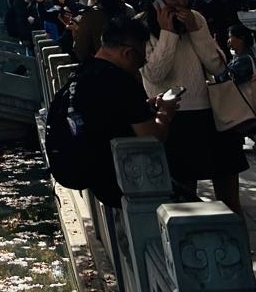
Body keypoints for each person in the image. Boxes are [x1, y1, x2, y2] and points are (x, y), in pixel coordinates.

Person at [133, 0, 246, 213]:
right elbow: (155, 73)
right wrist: (168, 34)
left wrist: (197, 32)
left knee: (228, 189)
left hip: (211, 112)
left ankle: (236, 236)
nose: (182, 2)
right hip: (174, 117)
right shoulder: (141, 26)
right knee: (184, 194)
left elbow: (217, 67)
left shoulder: (197, 19)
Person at [70, 15, 178, 206]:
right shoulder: (122, 82)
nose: (139, 68)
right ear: (128, 53)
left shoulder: (81, 73)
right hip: (126, 184)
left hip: (92, 175)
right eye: (141, 62)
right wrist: (165, 114)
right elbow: (152, 138)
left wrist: (144, 108)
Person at [72, 0, 130, 64]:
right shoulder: (129, 10)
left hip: (104, 72)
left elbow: (81, 53)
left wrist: (77, 32)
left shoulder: (91, 15)